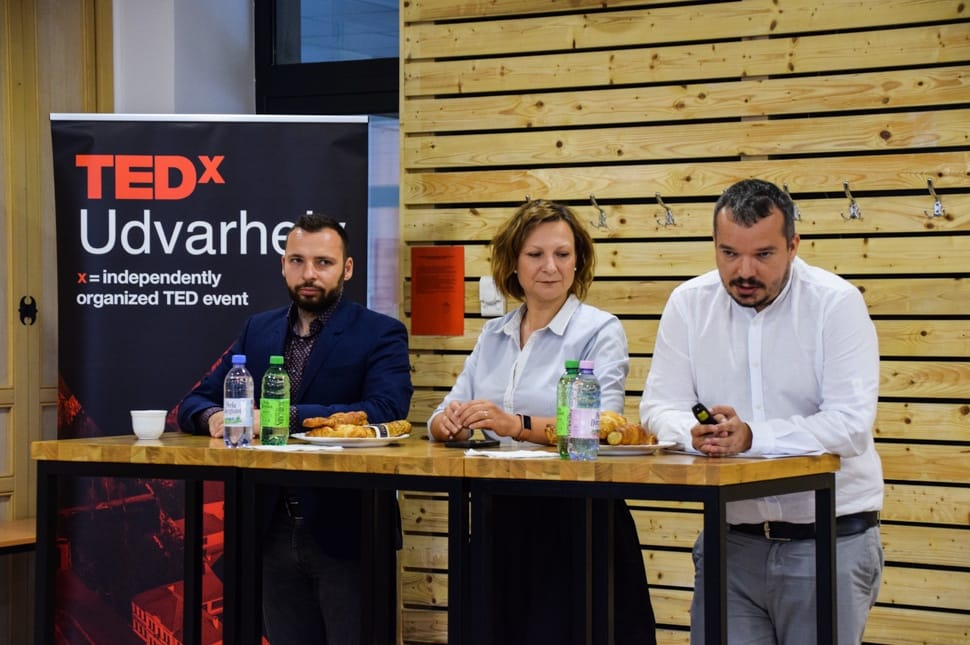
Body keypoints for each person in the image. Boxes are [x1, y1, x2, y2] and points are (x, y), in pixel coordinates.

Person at [640, 179, 884, 643]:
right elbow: (659, 405)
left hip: (827, 543)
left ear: (793, 245)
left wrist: (751, 437)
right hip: (730, 541)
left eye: (763, 254)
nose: (744, 271)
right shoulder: (689, 304)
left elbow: (851, 425)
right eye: (729, 253)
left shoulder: (836, 304)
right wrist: (693, 431)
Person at [177, 212, 413, 645]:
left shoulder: (380, 332)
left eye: (323, 262)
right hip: (270, 528)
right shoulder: (258, 329)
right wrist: (214, 417)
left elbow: (386, 409)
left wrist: (282, 417)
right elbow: (194, 401)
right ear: (283, 265)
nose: (309, 274)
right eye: (297, 260)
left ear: (347, 269)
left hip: (349, 530)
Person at [429, 199, 657, 645]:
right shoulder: (493, 334)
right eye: (535, 254)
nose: (550, 266)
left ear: (578, 262)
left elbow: (602, 426)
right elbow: (442, 413)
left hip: (576, 519)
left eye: (562, 254)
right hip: (498, 516)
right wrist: (451, 423)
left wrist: (516, 425)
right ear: (513, 263)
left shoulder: (599, 329)